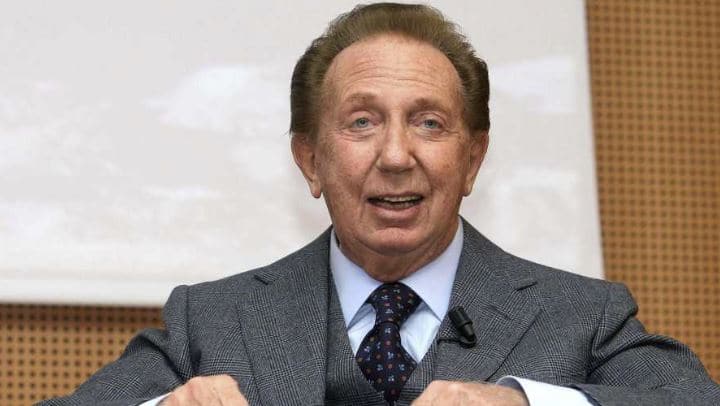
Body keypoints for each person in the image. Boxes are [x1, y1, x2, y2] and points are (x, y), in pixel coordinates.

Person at [40, 3, 720, 406]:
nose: (396, 155)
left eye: (429, 122)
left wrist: (523, 403)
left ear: (473, 159)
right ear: (310, 159)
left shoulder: (581, 317)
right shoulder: (213, 322)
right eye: (362, 122)